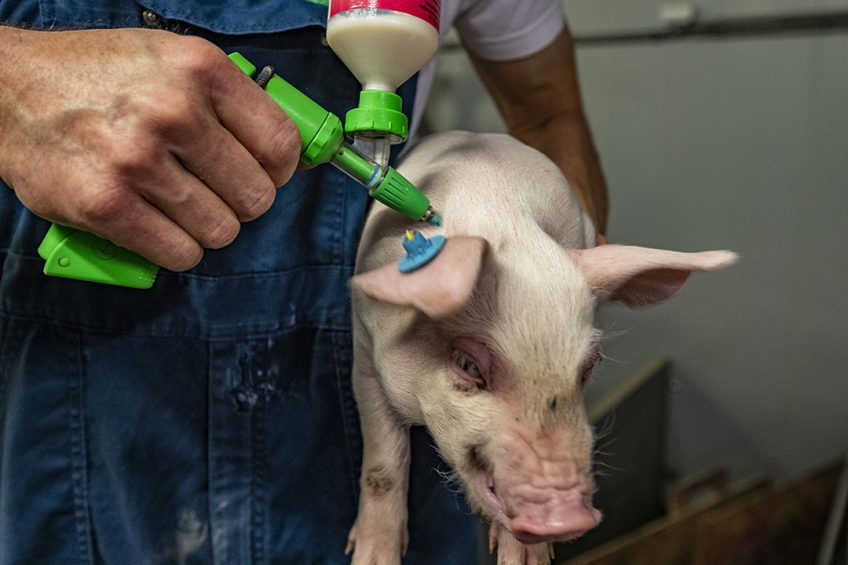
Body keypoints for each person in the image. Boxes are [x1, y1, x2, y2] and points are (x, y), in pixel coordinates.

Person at [0, 1, 608, 563]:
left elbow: (549, 112)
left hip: (366, 394)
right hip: (73, 389)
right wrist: (14, 78)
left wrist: (557, 303)